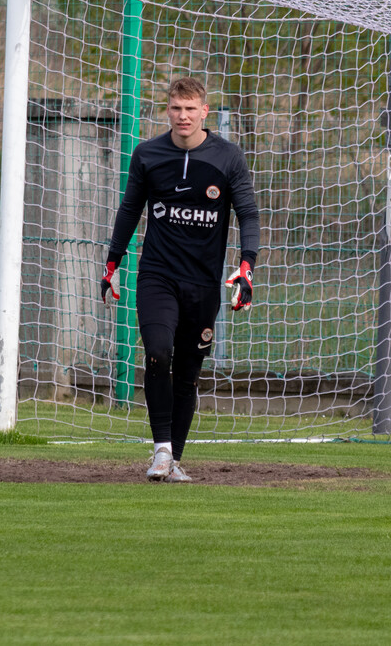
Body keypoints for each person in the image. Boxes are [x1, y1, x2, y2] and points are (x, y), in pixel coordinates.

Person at [101, 77, 260, 482]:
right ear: (167, 110)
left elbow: (249, 215)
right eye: (176, 108)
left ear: (204, 112)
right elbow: (129, 210)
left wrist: (247, 267)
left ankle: (173, 460)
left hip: (204, 284)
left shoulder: (228, 158)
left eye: (190, 109)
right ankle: (160, 450)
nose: (183, 116)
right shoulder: (147, 155)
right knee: (157, 351)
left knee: (188, 374)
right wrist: (112, 264)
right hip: (157, 275)